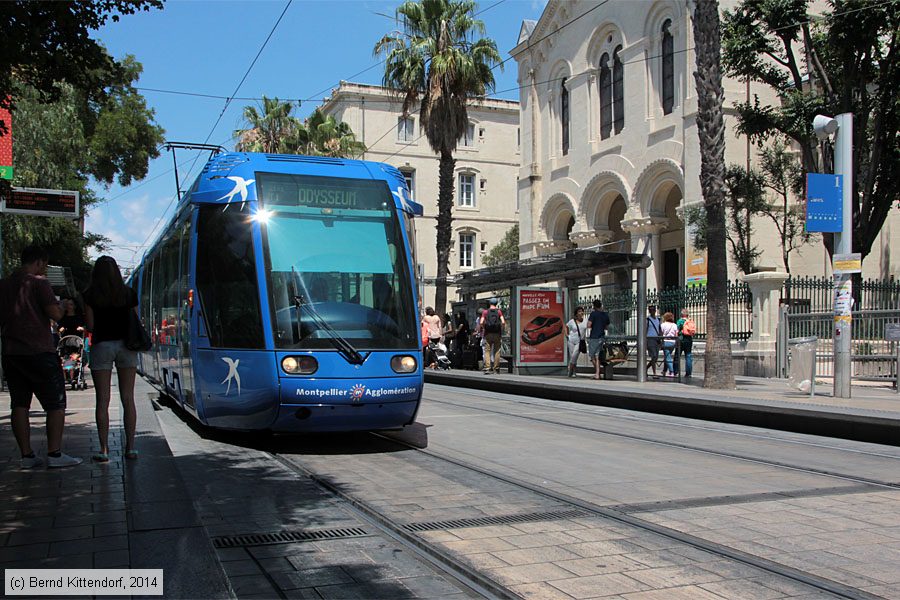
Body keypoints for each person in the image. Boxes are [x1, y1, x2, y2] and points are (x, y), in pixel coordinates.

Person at [0, 245, 82, 468]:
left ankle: (26, 456)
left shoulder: (4, 284)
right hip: (38, 351)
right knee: (55, 403)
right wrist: (63, 306)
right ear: (38, 262)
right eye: (44, 265)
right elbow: (54, 314)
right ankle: (54, 454)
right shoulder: (39, 283)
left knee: (19, 403)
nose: (44, 270)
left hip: (11, 352)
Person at [83, 256, 140, 462]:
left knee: (103, 400)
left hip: (102, 346)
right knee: (128, 398)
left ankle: (104, 449)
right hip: (126, 346)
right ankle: (131, 448)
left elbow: (90, 326)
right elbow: (135, 320)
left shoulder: (89, 295)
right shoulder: (129, 294)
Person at [480, 298, 505, 374]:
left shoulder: (485, 312)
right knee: (497, 350)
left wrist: (484, 328)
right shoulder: (499, 311)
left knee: (487, 350)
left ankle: (487, 367)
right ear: (496, 303)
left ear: (489, 303)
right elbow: (503, 322)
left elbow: (481, 322)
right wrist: (501, 329)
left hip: (488, 333)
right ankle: (496, 368)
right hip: (497, 333)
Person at [586, 300, 610, 380]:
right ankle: (598, 373)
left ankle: (597, 373)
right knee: (598, 356)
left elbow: (589, 325)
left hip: (594, 337)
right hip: (602, 337)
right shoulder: (605, 315)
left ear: (594, 306)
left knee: (592, 356)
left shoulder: (593, 314)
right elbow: (607, 327)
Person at [565, 306, 587, 377]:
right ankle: (574, 371)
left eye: (582, 311)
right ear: (576, 313)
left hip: (579, 341)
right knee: (572, 356)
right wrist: (567, 335)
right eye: (579, 311)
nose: (581, 313)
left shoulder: (585, 320)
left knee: (574, 355)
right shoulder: (572, 321)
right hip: (571, 340)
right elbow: (566, 326)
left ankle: (570, 369)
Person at [677, 308, 695, 379]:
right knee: (688, 355)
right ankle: (688, 373)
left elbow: (677, 329)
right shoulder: (690, 321)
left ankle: (675, 371)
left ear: (681, 314)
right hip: (689, 339)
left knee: (678, 355)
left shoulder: (680, 321)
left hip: (681, 339)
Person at [660, 311, 678, 376]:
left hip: (666, 341)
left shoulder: (663, 325)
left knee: (668, 357)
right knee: (668, 356)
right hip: (673, 342)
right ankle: (664, 370)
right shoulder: (675, 325)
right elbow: (676, 334)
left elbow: (661, 334)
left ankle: (671, 371)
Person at [646, 305, 661, 377]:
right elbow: (645, 330)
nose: (652, 311)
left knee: (656, 357)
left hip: (657, 339)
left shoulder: (658, 319)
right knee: (654, 356)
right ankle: (654, 373)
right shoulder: (647, 320)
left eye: (653, 310)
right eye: (650, 310)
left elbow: (659, 329)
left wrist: (661, 339)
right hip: (650, 339)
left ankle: (645, 368)